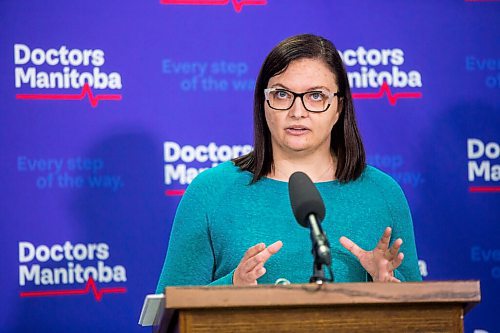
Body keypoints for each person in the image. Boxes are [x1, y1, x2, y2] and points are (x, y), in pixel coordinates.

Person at [155, 34, 421, 292]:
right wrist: (232, 287)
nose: (297, 112)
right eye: (282, 94)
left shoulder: (383, 192)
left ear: (339, 107)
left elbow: (421, 317)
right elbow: (167, 313)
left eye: (316, 96)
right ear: (264, 103)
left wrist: (387, 287)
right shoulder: (211, 191)